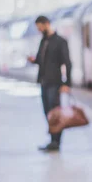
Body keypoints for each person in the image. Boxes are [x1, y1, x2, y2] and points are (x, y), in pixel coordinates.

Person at [27, 15, 72, 152]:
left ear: (46, 24)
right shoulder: (43, 41)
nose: (39, 30)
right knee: (48, 112)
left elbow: (67, 63)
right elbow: (41, 60)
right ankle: (52, 140)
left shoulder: (60, 41)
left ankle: (57, 142)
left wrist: (66, 83)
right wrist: (33, 60)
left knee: (55, 112)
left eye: (40, 27)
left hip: (55, 83)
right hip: (44, 82)